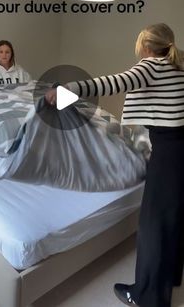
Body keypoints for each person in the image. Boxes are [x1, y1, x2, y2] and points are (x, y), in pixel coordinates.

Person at [45, 23, 184, 307]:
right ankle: (168, 278)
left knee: (152, 225)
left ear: (146, 47)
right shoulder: (179, 68)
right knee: (172, 220)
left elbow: (111, 83)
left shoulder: (152, 66)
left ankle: (147, 297)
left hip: (169, 152)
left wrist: (66, 88)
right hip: (180, 148)